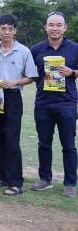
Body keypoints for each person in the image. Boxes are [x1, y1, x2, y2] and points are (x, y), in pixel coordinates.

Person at [0, 14, 37, 195]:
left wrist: (15, 82)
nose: (6, 32)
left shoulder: (24, 51)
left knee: (11, 138)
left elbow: (31, 76)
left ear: (15, 31)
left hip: (13, 96)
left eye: (10, 28)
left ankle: (15, 182)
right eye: (3, 28)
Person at [30, 11, 78, 198]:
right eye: (51, 25)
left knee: (69, 145)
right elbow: (29, 73)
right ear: (46, 27)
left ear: (65, 27)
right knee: (44, 143)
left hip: (67, 103)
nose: (55, 28)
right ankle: (45, 179)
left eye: (59, 25)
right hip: (43, 103)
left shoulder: (74, 48)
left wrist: (72, 72)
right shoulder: (36, 49)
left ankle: (70, 182)